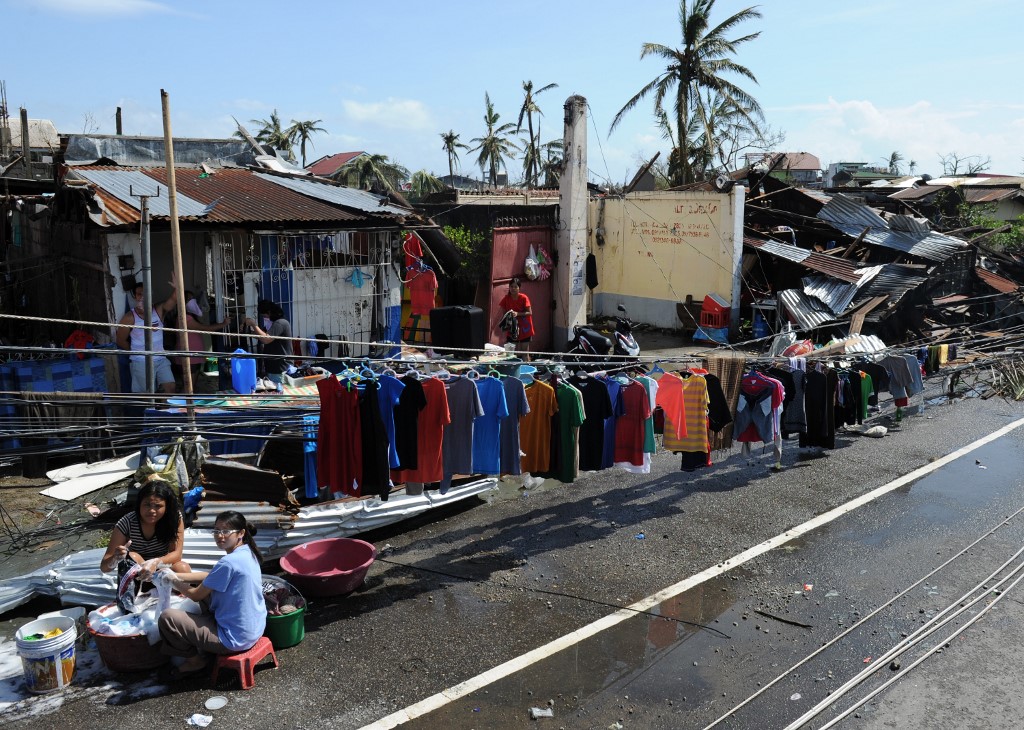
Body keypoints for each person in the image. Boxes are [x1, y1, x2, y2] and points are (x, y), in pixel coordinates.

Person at [157, 511, 267, 679]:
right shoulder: (247, 552)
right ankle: (206, 632)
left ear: (241, 533)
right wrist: (176, 575)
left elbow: (195, 595)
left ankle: (195, 662)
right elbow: (211, 577)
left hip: (233, 640)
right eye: (216, 531)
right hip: (254, 629)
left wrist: (173, 580)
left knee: (168, 618)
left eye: (226, 531)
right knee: (206, 588)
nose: (220, 536)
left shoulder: (228, 563)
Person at [100, 476, 191, 578]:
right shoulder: (127, 523)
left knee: (183, 568)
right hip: (138, 570)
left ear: (167, 507)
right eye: (147, 505)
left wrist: (155, 563)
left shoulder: (174, 518)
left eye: (158, 506)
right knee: (133, 556)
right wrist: (115, 558)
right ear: (139, 505)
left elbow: (176, 555)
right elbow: (104, 567)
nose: (152, 511)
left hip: (162, 565)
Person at [116, 281, 177, 394]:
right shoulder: (129, 317)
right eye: (139, 294)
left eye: (146, 293)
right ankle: (149, 412)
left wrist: (177, 288)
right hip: (141, 362)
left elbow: (173, 301)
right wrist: (136, 353)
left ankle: (164, 411)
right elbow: (120, 340)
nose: (143, 297)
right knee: (147, 395)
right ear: (135, 297)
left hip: (160, 359)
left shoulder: (158, 310)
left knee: (170, 388)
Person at [168, 290, 231, 387]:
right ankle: (180, 402)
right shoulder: (184, 318)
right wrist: (223, 324)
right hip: (188, 356)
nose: (192, 301)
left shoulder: (189, 316)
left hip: (193, 356)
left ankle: (187, 401)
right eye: (189, 299)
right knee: (188, 388)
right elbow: (205, 329)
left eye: (193, 298)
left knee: (191, 387)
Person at [244, 300, 292, 385]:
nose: (264, 318)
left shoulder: (280, 323)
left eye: (264, 315)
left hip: (279, 368)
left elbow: (265, 339)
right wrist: (248, 332)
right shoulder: (272, 323)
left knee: (278, 394)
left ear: (269, 312)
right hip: (272, 366)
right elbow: (262, 334)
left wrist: (253, 324)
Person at [498, 277, 534, 358]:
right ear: (509, 287)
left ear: (519, 288)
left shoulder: (524, 298)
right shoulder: (506, 299)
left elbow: (530, 312)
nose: (513, 289)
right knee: (511, 353)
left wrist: (517, 314)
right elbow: (504, 314)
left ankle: (526, 367)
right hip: (512, 329)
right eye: (511, 286)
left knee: (524, 352)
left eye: (515, 287)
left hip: (525, 328)